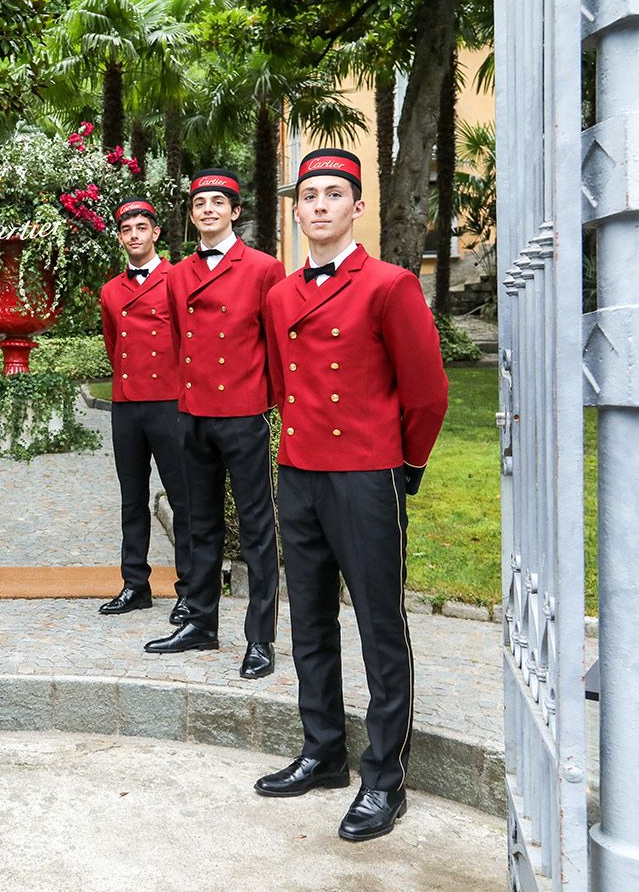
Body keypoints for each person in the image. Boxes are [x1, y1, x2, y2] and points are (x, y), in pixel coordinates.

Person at [254, 147, 448, 842]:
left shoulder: (390, 285)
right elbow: (282, 383)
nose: (320, 207)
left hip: (366, 475)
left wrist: (404, 469)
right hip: (301, 470)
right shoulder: (279, 295)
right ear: (297, 209)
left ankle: (384, 778)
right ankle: (323, 750)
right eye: (309, 197)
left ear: (357, 206)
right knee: (308, 620)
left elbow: (426, 392)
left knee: (378, 626)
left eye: (334, 194)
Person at [147, 169, 284, 682]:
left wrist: (265, 401)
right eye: (198, 202)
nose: (206, 209)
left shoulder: (265, 269)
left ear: (235, 212)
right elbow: (184, 338)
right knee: (197, 522)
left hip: (245, 414)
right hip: (194, 413)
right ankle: (201, 621)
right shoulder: (179, 273)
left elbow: (275, 342)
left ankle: (260, 638)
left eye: (216, 202)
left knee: (256, 527)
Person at [96, 197, 192, 622]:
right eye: (126, 230)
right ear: (120, 238)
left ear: (155, 233)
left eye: (141, 228)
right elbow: (113, 343)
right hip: (127, 405)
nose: (133, 236)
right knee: (131, 499)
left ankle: (190, 589)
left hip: (170, 402)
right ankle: (135, 584)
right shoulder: (111, 290)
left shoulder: (179, 277)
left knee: (184, 498)